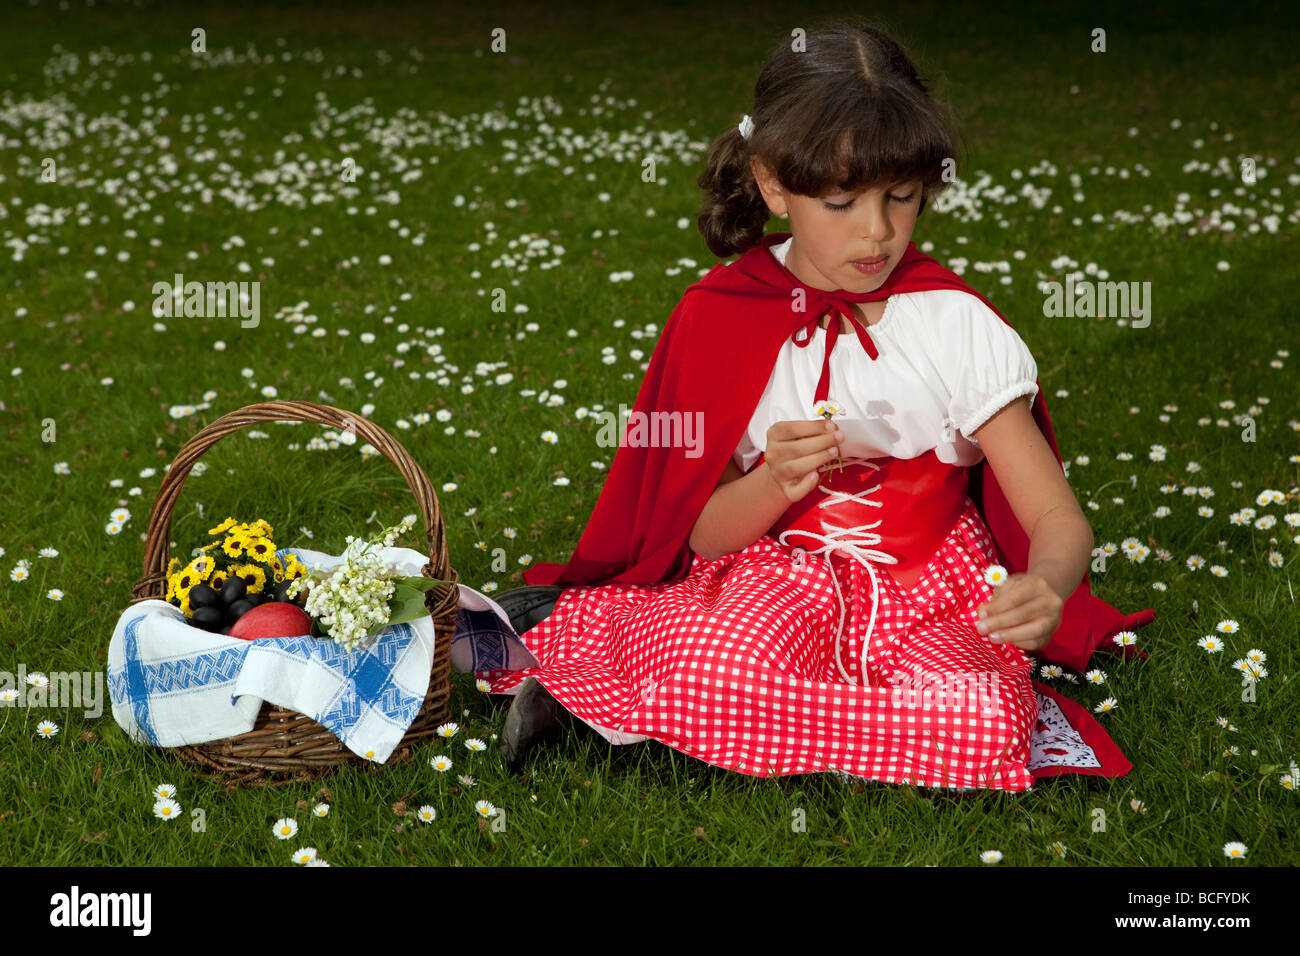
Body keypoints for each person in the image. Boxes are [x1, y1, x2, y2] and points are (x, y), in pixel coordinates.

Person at [474, 21, 1154, 790]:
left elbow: (1055, 517)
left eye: (901, 197)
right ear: (772, 185)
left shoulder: (954, 324)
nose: (878, 230)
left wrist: (1048, 586)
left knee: (984, 715)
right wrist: (773, 484)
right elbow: (701, 535)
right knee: (714, 664)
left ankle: (671, 715)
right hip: (782, 577)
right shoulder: (723, 315)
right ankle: (642, 687)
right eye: (840, 202)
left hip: (928, 591)